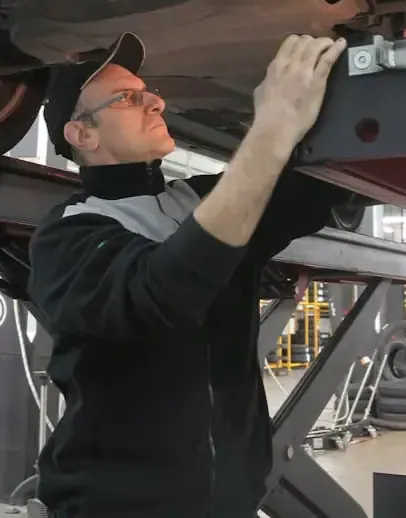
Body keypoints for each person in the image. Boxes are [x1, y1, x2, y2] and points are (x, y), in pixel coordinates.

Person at [28, 31, 352, 518]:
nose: (155, 104)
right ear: (82, 134)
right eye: (130, 98)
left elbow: (316, 189)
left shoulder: (197, 199)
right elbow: (163, 295)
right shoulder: (69, 236)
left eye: (150, 93)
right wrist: (272, 128)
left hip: (232, 504)